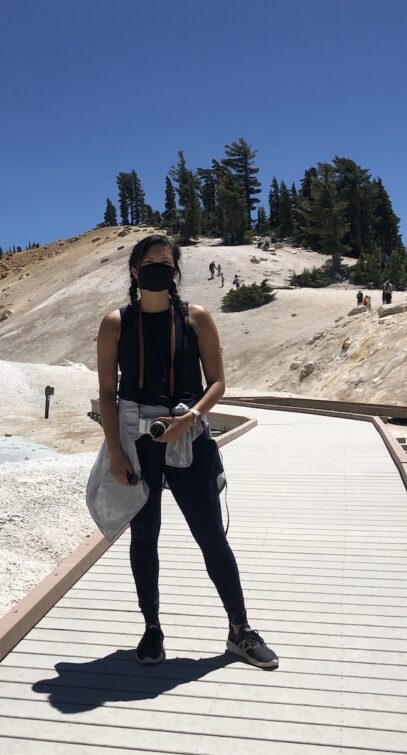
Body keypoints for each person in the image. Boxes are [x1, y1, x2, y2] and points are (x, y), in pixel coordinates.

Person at [94, 234, 279, 669]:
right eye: (149, 262)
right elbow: (106, 392)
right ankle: (152, 629)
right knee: (145, 537)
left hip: (190, 441)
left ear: (174, 271)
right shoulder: (115, 323)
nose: (158, 269)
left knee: (211, 535)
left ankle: (240, 630)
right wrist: (116, 454)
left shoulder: (196, 319)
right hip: (137, 447)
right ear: (135, 270)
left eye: (166, 262)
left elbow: (217, 381)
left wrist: (189, 419)